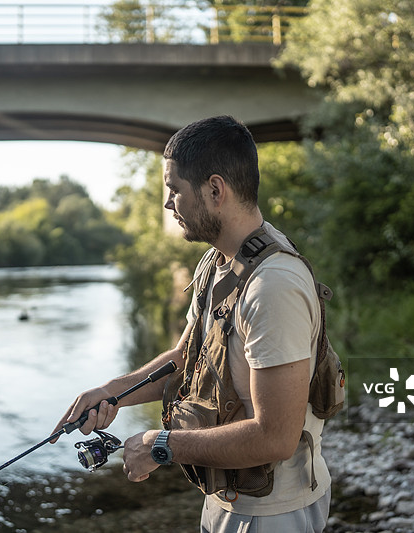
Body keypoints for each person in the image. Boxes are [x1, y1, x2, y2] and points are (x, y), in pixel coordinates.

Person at [54, 115, 331, 532]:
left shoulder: (273, 286)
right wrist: (112, 392)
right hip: (227, 501)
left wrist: (161, 445)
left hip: (274, 514)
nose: (169, 204)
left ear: (215, 190)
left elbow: (276, 437)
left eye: (175, 190)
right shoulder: (219, 262)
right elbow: (186, 358)